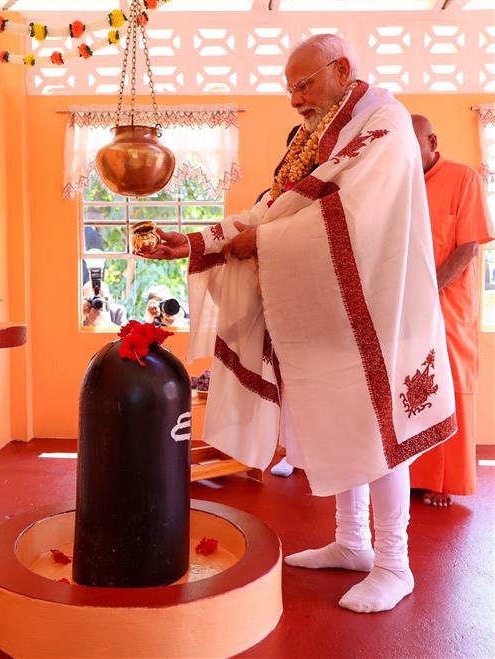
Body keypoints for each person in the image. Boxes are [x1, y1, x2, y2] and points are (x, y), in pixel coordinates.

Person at [140, 34, 456, 613]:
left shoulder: (381, 121)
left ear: (341, 70)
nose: (294, 98)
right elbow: (275, 206)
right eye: (289, 87)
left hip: (382, 310)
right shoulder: (318, 134)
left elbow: (348, 217)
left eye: (303, 84)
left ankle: (394, 563)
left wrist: (258, 243)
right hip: (337, 314)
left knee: (382, 434)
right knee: (342, 422)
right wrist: (197, 241)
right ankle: (353, 542)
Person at [409, 115, 494, 507]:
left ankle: (443, 482)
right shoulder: (399, 184)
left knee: (451, 385)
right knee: (412, 386)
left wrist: (429, 289)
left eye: (413, 146)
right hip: (407, 308)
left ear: (432, 141)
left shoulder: (464, 179)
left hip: (450, 307)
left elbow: (468, 247)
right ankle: (408, 475)